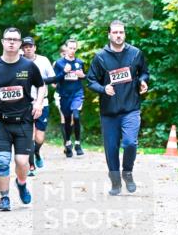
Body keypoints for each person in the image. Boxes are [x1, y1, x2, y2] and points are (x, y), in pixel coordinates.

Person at [0, 28, 45, 211]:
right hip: (1, 122)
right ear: (3, 42)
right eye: (8, 39)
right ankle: (4, 197)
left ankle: (22, 183)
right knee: (2, 160)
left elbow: (41, 86)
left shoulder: (28, 66)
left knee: (21, 162)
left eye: (15, 40)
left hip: (24, 121)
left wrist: (39, 104)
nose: (11, 42)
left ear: (19, 44)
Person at [86, 20, 150, 195]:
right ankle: (115, 181)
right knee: (112, 148)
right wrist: (103, 88)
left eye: (121, 32)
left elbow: (144, 71)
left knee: (130, 142)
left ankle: (127, 172)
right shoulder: (100, 57)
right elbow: (90, 80)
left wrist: (143, 81)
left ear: (125, 34)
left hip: (131, 108)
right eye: (115, 32)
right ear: (109, 35)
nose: (118, 35)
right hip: (109, 112)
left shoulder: (135, 54)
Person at [21, 36, 62, 176]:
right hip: (25, 103)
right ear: (22, 49)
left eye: (30, 46)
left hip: (42, 102)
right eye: (25, 46)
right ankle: (31, 166)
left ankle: (37, 152)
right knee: (29, 136)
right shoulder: (18, 61)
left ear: (34, 48)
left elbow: (53, 78)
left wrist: (38, 80)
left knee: (39, 138)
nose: (28, 49)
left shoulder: (43, 60)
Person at [53, 38, 87, 157]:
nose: (72, 50)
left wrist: (82, 75)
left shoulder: (80, 62)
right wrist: (64, 72)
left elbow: (85, 77)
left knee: (76, 116)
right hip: (64, 95)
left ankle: (77, 143)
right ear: (66, 48)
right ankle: (67, 143)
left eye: (74, 48)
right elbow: (54, 81)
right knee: (67, 120)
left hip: (77, 93)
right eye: (70, 48)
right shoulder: (59, 63)